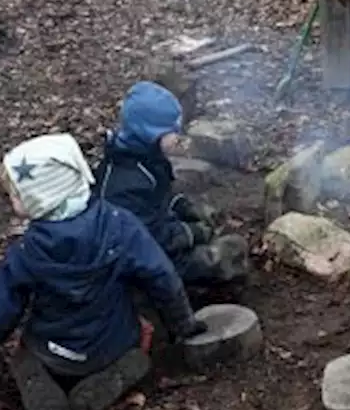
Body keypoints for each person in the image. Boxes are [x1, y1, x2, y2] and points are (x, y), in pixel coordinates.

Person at [0, 133, 206, 410]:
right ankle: (123, 368)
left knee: (23, 354)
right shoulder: (120, 223)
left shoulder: (25, 253)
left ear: (41, 196)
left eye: (16, 193)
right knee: (140, 334)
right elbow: (162, 277)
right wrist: (184, 324)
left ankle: (38, 381)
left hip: (53, 354)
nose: (11, 199)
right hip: (114, 345)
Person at [95, 81, 249, 286]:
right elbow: (149, 238)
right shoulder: (125, 185)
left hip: (156, 239)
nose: (178, 136)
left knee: (219, 235)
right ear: (150, 133)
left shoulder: (147, 156)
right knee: (228, 251)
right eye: (172, 131)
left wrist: (185, 207)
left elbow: (161, 197)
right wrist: (193, 233)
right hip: (139, 264)